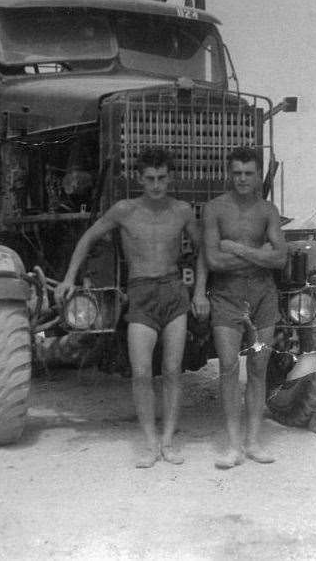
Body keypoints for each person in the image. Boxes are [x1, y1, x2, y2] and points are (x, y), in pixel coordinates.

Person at [55, 147, 209, 468]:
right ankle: (150, 444)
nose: (156, 185)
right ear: (139, 179)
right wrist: (70, 277)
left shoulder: (181, 211)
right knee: (141, 374)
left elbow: (202, 251)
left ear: (171, 178)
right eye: (150, 178)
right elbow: (88, 238)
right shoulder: (124, 210)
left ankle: (168, 441)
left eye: (162, 178)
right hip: (140, 294)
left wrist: (200, 292)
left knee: (171, 371)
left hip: (173, 292)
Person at [202, 146, 288, 469]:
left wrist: (235, 248)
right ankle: (233, 445)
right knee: (227, 367)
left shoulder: (268, 211)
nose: (242, 179)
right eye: (236, 172)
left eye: (248, 173)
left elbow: (280, 258)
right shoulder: (215, 209)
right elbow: (212, 259)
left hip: (264, 297)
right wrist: (258, 254)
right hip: (226, 297)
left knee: (258, 367)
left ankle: (253, 442)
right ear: (229, 172)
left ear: (257, 174)